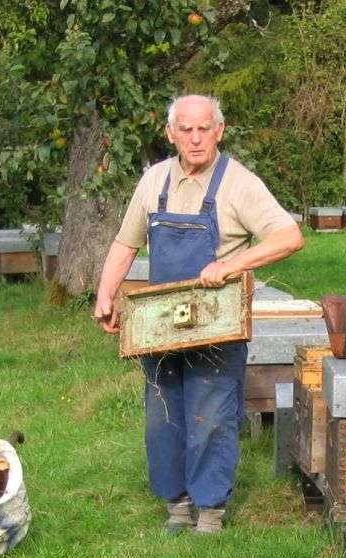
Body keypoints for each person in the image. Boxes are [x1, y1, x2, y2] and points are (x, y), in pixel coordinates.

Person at [94, 94, 304, 534]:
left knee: (211, 415)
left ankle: (210, 511)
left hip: (217, 323)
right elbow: (125, 242)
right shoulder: (153, 180)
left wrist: (230, 265)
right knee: (163, 414)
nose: (195, 138)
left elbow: (288, 236)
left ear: (219, 131)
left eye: (204, 128)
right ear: (170, 134)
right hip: (162, 324)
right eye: (185, 129)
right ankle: (176, 504)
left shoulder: (239, 183)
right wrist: (105, 292)